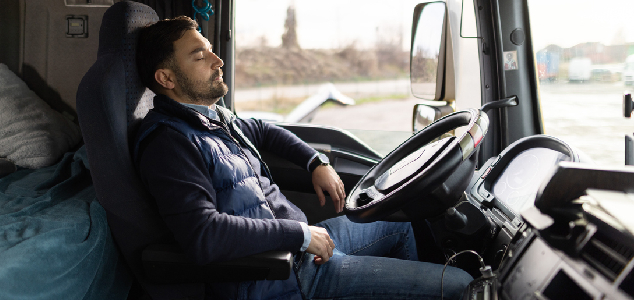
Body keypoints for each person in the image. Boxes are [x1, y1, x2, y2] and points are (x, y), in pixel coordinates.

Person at [132, 16, 472, 300]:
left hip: (301, 249)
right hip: (283, 279)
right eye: (199, 55)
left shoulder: (212, 118)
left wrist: (316, 163)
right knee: (462, 286)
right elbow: (204, 235)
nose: (217, 60)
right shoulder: (170, 144)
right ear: (167, 78)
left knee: (400, 223)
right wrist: (300, 235)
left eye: (211, 50)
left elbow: (265, 131)